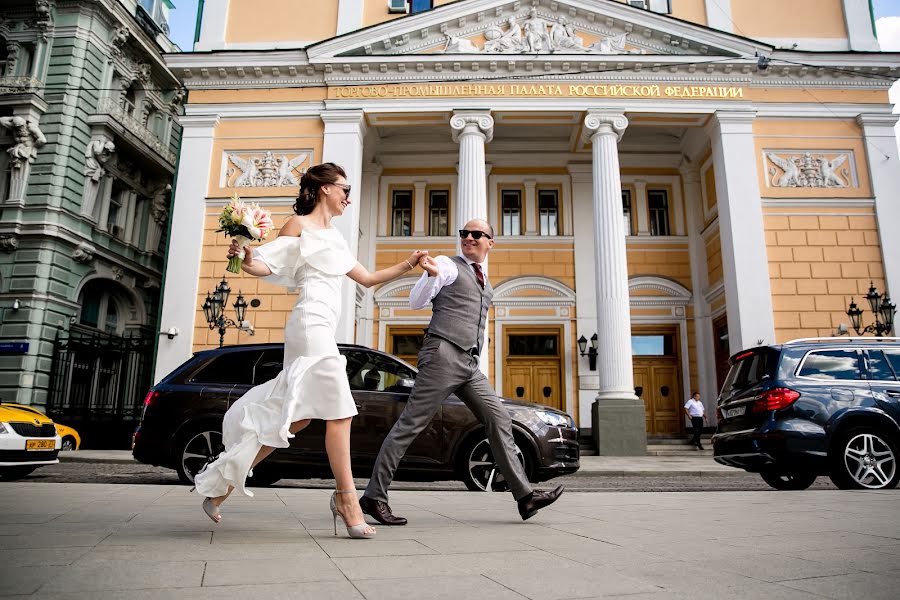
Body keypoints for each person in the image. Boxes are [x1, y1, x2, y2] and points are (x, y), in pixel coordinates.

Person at [193, 162, 426, 539]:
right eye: (344, 189)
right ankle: (347, 500)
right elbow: (266, 264)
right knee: (340, 411)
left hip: (323, 327)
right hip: (309, 323)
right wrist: (246, 254)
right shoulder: (298, 226)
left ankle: (220, 487)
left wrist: (408, 264)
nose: (348, 197)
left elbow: (366, 278)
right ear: (324, 189)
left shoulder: (335, 236)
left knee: (297, 419)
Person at [360, 218, 564, 525]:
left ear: (490, 242)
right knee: (410, 425)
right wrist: (430, 276)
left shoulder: (485, 280)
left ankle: (525, 497)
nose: (468, 237)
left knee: (498, 419)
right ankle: (374, 496)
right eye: (464, 233)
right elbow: (415, 302)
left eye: (476, 234)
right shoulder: (447, 265)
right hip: (442, 354)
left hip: (469, 365)